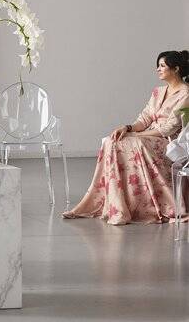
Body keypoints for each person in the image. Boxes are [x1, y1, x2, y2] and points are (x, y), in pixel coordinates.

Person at [64, 50, 189, 224]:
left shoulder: (186, 94)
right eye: (157, 66)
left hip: (168, 142)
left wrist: (136, 135)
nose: (158, 70)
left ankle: (143, 205)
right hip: (148, 136)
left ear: (175, 69)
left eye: (162, 66)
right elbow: (144, 118)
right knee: (112, 141)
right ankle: (118, 204)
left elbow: (168, 129)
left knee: (135, 142)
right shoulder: (158, 92)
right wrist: (127, 128)